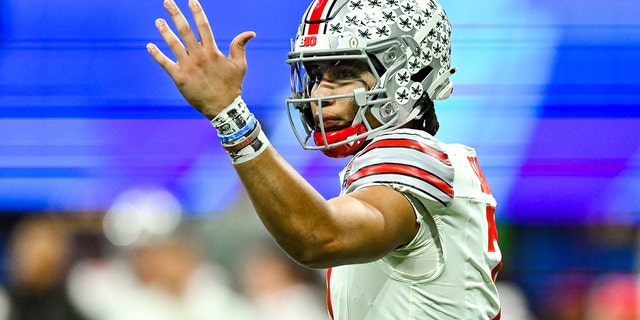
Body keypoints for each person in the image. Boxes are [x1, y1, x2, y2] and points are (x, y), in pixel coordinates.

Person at [147, 0, 502, 318]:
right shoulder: (392, 167)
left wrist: (230, 115)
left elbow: (319, 237)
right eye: (317, 76)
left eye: (344, 74)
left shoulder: (415, 156)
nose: (320, 93)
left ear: (409, 77)